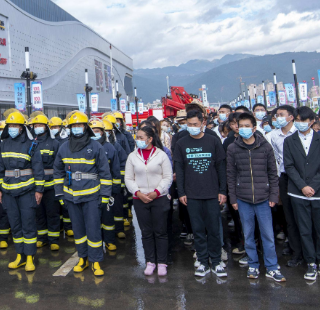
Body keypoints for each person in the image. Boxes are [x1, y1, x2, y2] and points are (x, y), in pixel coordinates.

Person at [226, 113, 284, 282]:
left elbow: (273, 173)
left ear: (254, 128)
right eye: (240, 126)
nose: (243, 129)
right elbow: (231, 174)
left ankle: (272, 267)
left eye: (247, 126)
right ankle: (253, 264)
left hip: (264, 198)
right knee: (248, 234)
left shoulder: (265, 147)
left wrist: (274, 194)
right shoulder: (233, 148)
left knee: (268, 235)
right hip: (243, 199)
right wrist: (233, 199)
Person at [53, 111, 112, 277]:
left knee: (93, 230)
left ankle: (96, 261)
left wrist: (105, 195)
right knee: (78, 231)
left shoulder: (95, 146)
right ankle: (83, 259)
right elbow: (58, 171)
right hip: (71, 197)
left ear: (86, 127)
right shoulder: (64, 147)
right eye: (73, 126)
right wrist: (60, 194)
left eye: (79, 125)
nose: (76, 128)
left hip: (92, 196)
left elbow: (105, 173)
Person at [283, 106, 320, 281]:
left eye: (303, 120)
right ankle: (311, 263)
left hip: (319, 192)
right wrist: (302, 186)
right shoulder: (289, 141)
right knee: (304, 229)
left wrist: (312, 185)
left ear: (312, 121)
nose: (299, 123)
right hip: (298, 193)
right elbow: (289, 166)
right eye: (297, 120)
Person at [173, 107, 227, 277]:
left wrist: (222, 190)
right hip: (192, 194)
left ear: (203, 123)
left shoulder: (213, 141)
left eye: (195, 124)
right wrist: (181, 192)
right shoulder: (182, 143)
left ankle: (216, 261)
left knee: (213, 229)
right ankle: (202, 261)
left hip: (212, 193)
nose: (192, 127)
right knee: (197, 230)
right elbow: (179, 170)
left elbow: (221, 167)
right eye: (189, 124)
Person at [0, 111, 44, 272]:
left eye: (16, 125)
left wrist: (39, 190)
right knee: (15, 225)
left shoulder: (31, 144)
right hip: (8, 192)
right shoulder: (3, 144)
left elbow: (38, 168)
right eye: (11, 125)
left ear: (22, 128)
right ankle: (20, 256)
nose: (13, 128)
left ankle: (30, 257)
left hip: (27, 191)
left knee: (28, 224)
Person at [125, 125, 172, 276]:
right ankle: (150, 261)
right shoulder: (132, 156)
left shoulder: (161, 155)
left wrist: (157, 192)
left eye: (141, 138)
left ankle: (162, 262)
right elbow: (128, 178)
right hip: (140, 199)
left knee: (160, 231)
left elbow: (167, 177)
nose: (138, 140)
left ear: (150, 139)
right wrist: (137, 192)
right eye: (137, 138)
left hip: (159, 198)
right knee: (146, 232)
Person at [266, 105, 302, 267]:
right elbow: (271, 159)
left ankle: (308, 250)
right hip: (284, 178)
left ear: (291, 117)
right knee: (289, 216)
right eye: (276, 115)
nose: (278, 117)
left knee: (304, 216)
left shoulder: (300, 132)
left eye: (281, 115)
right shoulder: (272, 135)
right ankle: (295, 249)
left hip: (302, 179)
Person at [29, 113, 61, 251]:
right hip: (35, 185)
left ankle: (53, 239)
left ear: (46, 127)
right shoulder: (31, 143)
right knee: (39, 213)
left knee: (52, 212)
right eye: (35, 126)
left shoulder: (55, 143)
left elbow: (59, 165)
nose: (38, 128)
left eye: (40, 125)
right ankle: (42, 238)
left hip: (51, 185)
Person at [92, 118, 123, 252]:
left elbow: (115, 169)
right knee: (93, 219)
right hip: (90, 189)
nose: (94, 133)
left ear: (103, 132)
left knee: (107, 217)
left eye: (97, 131)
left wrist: (115, 189)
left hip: (106, 189)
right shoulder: (85, 147)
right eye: (92, 131)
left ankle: (109, 240)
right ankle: (96, 242)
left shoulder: (110, 147)